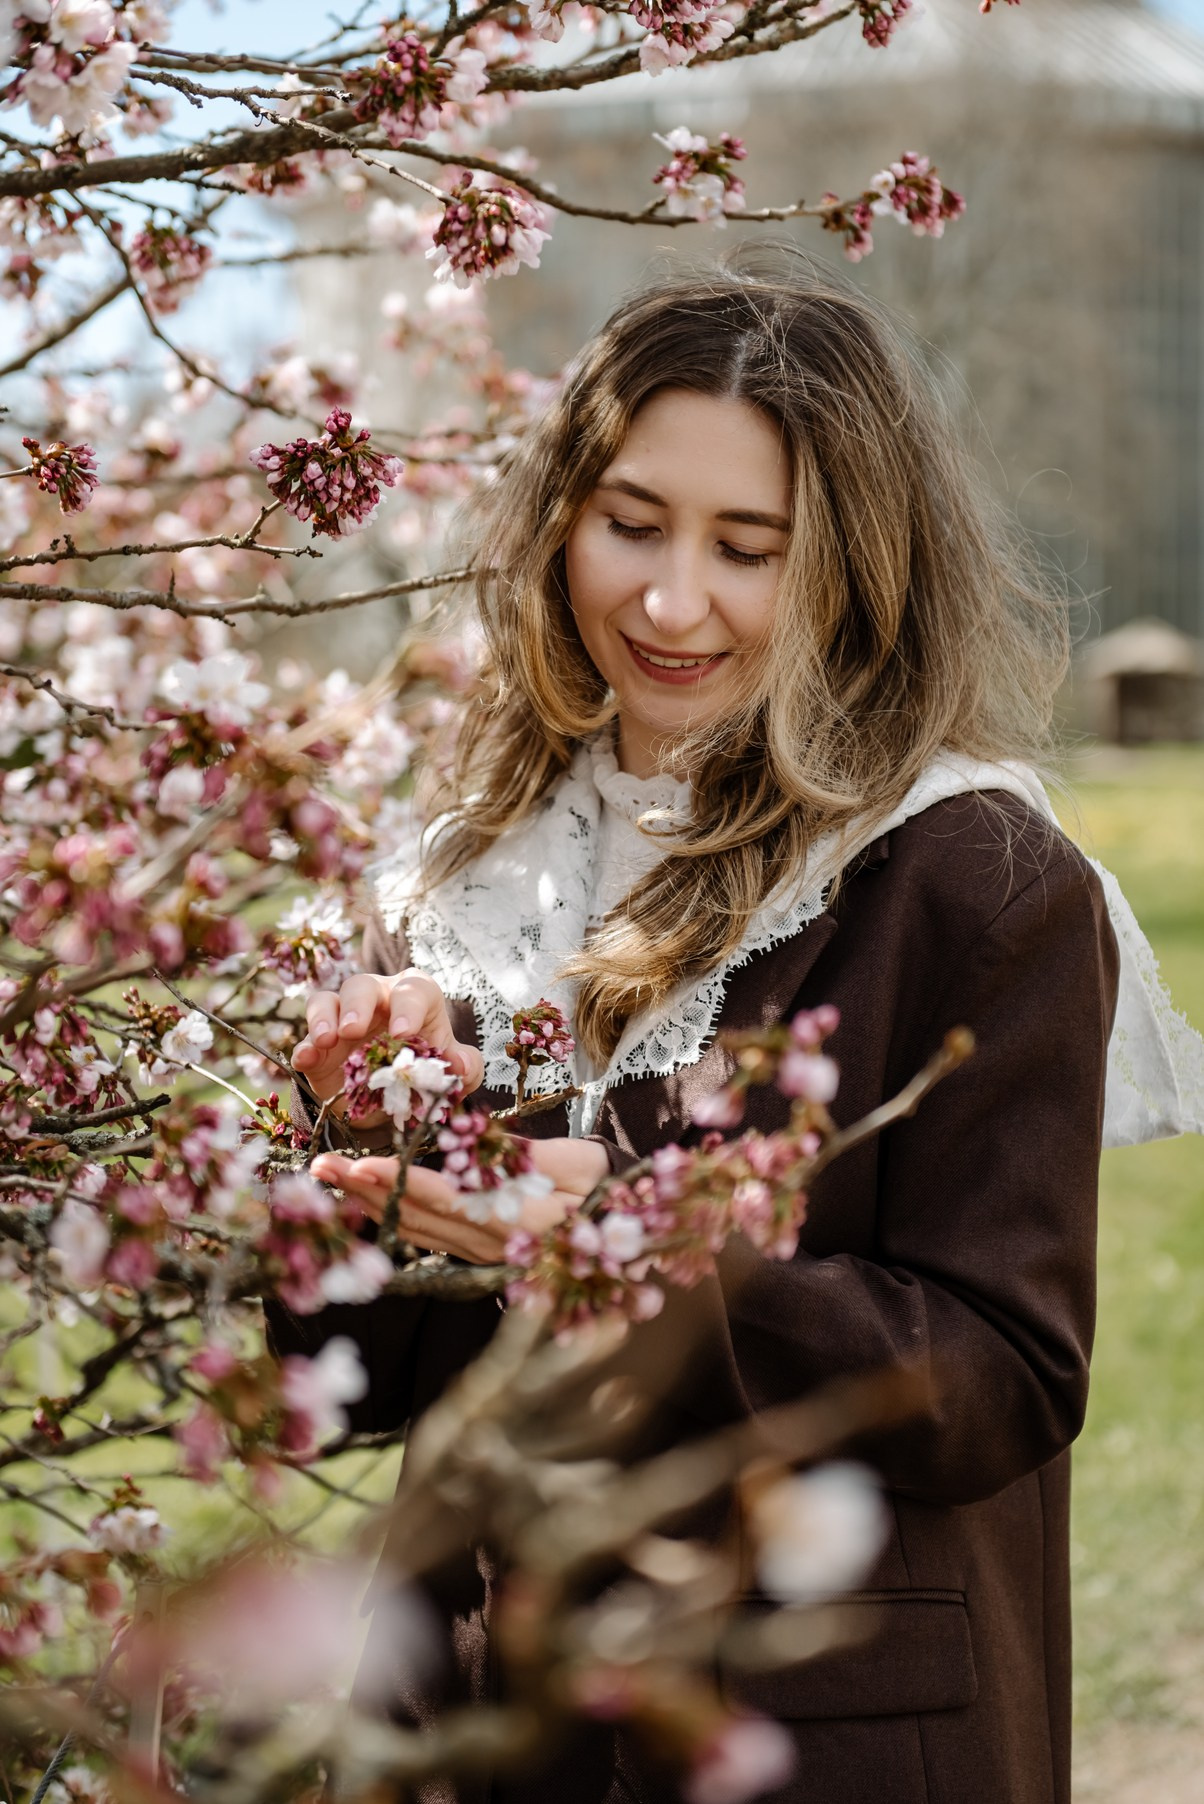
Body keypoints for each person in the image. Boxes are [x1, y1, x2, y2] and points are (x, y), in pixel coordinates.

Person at [270, 246, 1197, 1804]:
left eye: (748, 547)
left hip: (819, 1741)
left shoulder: (970, 873)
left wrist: (645, 1243)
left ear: (855, 564)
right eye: (630, 523)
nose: (670, 598)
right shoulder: (469, 866)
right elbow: (348, 1389)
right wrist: (370, 1149)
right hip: (480, 1731)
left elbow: (1005, 1380)